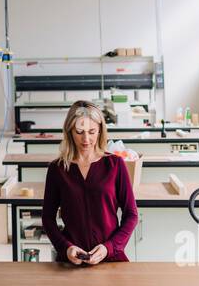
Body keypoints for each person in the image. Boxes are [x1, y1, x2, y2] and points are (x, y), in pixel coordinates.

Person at [41, 101, 138, 265]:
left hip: (110, 258)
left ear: (100, 130)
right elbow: (47, 218)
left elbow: (131, 215)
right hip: (71, 261)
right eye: (79, 132)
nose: (86, 139)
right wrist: (66, 247)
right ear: (70, 131)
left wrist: (109, 247)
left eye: (92, 131)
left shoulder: (115, 165)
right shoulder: (57, 169)